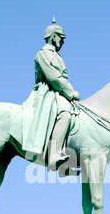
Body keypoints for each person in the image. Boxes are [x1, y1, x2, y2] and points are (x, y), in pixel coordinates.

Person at [20, 16, 80, 171]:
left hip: (58, 92)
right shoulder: (43, 54)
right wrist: (70, 92)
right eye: (61, 38)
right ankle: (54, 155)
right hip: (47, 92)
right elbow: (54, 77)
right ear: (54, 37)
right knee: (65, 114)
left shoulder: (56, 55)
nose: (63, 42)